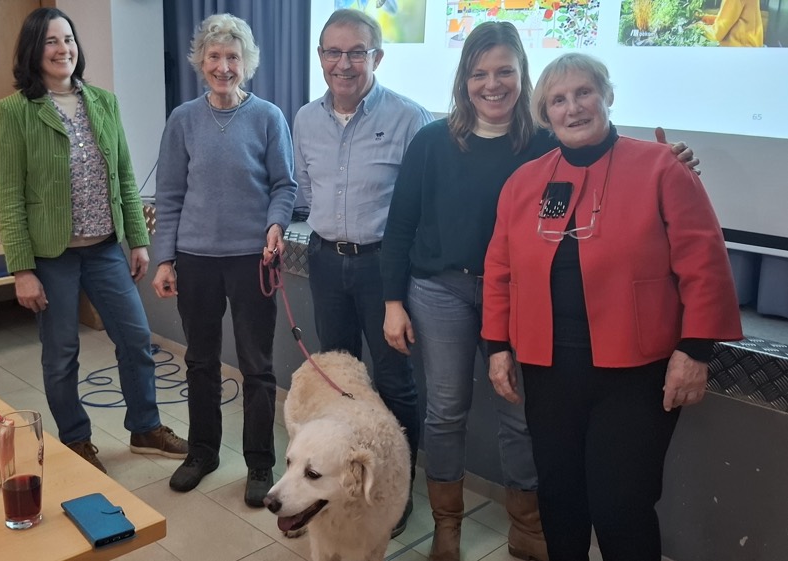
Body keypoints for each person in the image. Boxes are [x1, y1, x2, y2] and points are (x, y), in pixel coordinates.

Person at [382, 22, 701, 561]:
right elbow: (401, 226)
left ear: (522, 76)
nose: (493, 83)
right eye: (480, 72)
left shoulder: (547, 140)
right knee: (446, 410)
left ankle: (527, 528)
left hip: (523, 297)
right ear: (464, 80)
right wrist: (394, 300)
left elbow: (604, 158)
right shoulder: (432, 140)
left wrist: (671, 163)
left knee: (519, 417)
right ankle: (448, 526)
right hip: (442, 291)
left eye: (505, 70)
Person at [482, 52, 742, 561]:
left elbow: (704, 263)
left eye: (584, 93)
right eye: (558, 99)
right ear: (545, 113)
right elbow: (500, 271)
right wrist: (497, 346)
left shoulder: (662, 168)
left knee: (621, 505)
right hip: (548, 368)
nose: (573, 108)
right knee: (559, 498)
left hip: (635, 375)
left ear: (607, 96)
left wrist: (695, 350)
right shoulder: (524, 183)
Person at [0, 7, 188, 475]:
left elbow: (122, 172)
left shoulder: (102, 101)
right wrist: (21, 270)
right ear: (33, 52)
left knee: (136, 338)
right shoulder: (14, 112)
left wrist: (138, 241)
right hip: (51, 256)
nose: (63, 50)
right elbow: (10, 196)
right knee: (62, 354)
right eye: (51, 42)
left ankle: (145, 427)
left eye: (69, 40)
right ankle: (77, 441)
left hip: (105, 249)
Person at [292, 8, 432, 535]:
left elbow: (422, 205)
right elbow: (305, 191)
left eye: (356, 52)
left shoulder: (410, 118)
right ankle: (346, 485)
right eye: (333, 52)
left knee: (395, 384)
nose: (343, 63)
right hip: (327, 261)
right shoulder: (305, 118)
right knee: (340, 382)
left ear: (377, 56)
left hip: (385, 269)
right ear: (321, 56)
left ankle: (395, 491)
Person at [151, 13, 297, 503]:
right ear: (201, 61)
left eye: (232, 57)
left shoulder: (268, 117)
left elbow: (285, 185)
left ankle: (260, 463)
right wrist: (165, 260)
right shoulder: (183, 119)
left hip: (251, 259)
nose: (223, 66)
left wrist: (277, 222)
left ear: (247, 63)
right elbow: (169, 195)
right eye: (214, 56)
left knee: (257, 366)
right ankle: (202, 452)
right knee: (200, 361)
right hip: (195, 259)